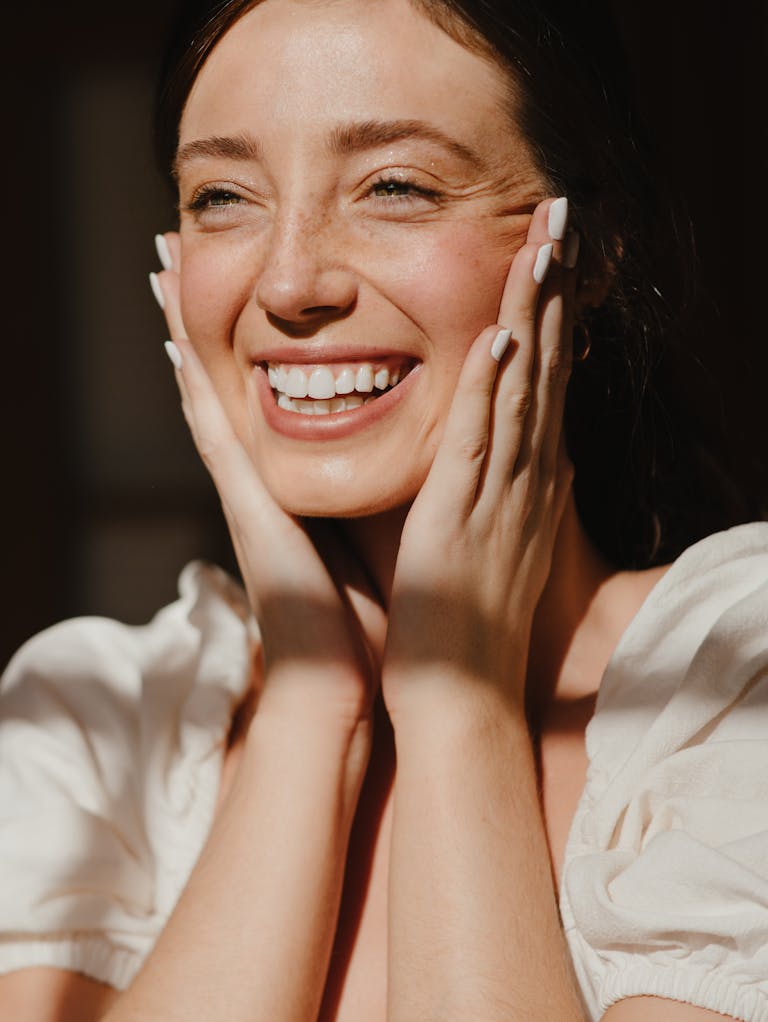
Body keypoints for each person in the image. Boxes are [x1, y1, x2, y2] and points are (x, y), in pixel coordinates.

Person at [1, 0, 766, 1020]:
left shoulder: (727, 683)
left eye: (395, 186)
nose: (288, 281)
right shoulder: (98, 724)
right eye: (223, 196)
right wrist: (311, 713)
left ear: (594, 251)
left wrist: (462, 706)